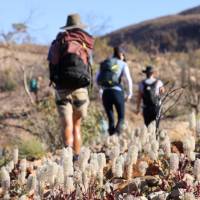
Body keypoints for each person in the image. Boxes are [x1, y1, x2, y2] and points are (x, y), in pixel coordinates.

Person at [47, 13, 94, 161]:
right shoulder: (85, 42)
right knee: (77, 126)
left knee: (67, 124)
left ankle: (67, 159)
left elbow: (52, 63)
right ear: (79, 27)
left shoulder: (59, 41)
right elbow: (89, 66)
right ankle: (77, 157)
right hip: (80, 88)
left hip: (62, 88)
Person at [97, 46, 133, 135]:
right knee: (121, 117)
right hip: (117, 92)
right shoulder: (122, 63)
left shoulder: (105, 63)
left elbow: (96, 79)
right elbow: (128, 79)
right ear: (121, 54)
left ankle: (111, 139)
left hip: (105, 93)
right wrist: (129, 93)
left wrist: (101, 91)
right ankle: (117, 137)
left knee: (111, 119)